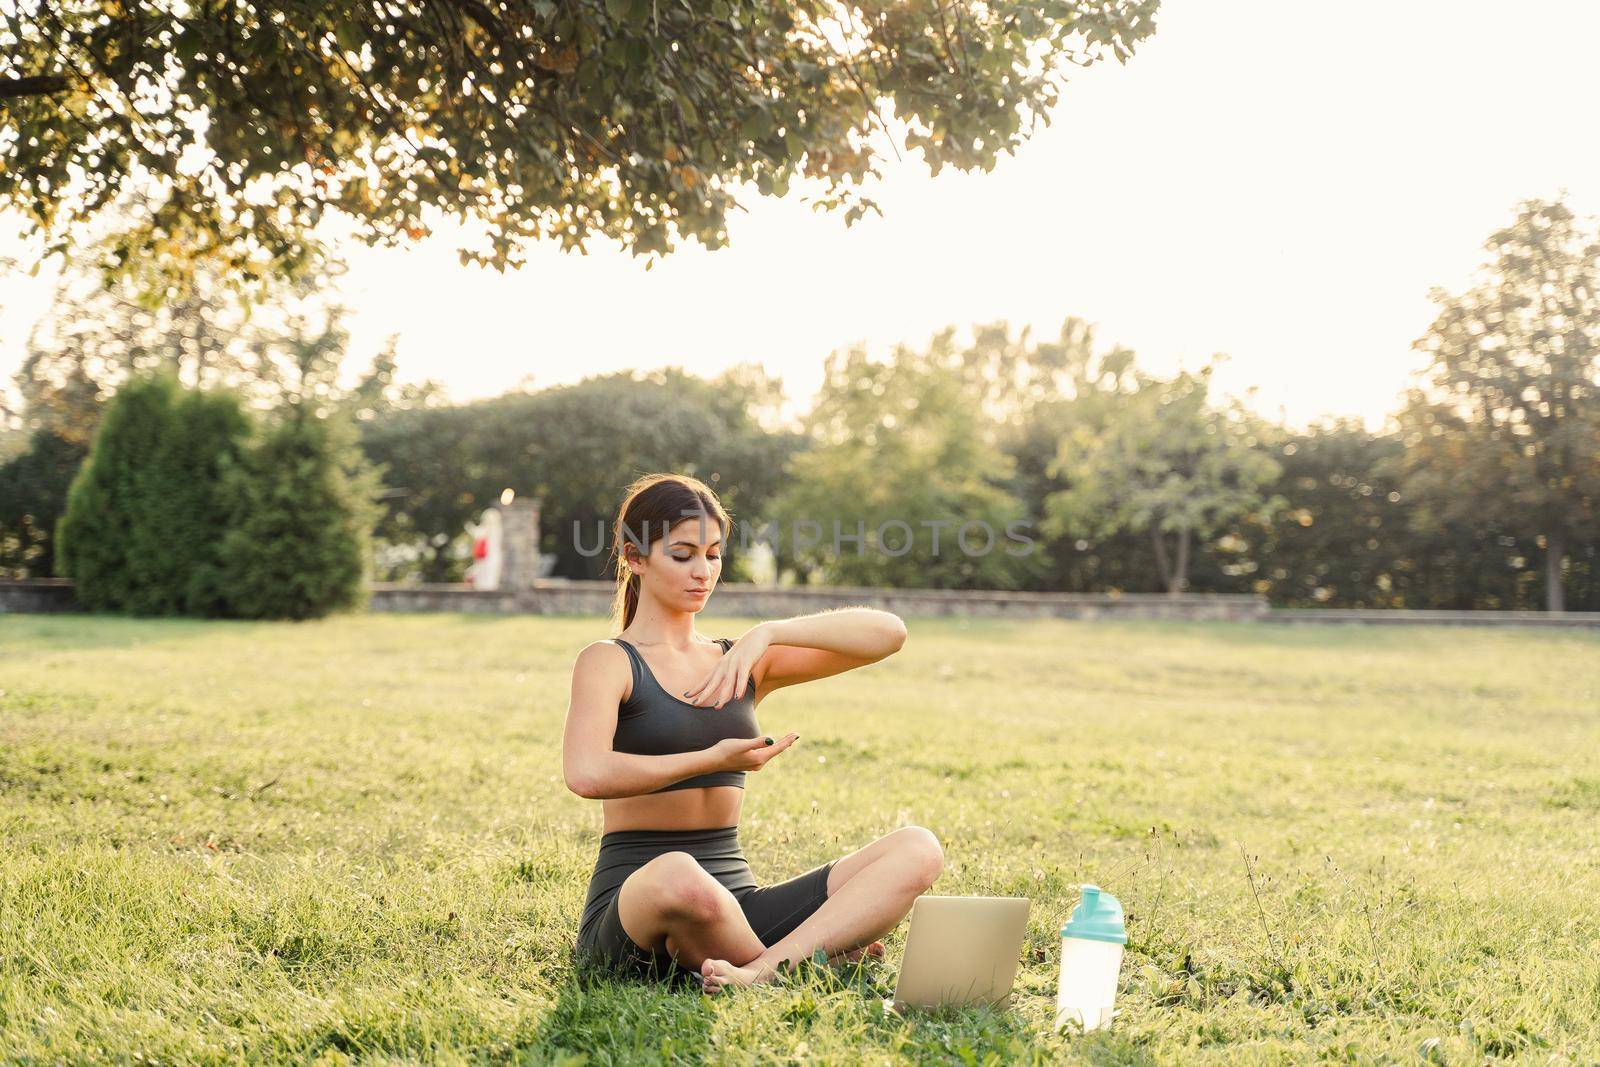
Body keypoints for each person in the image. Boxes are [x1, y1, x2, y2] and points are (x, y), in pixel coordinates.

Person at [562, 473, 945, 994]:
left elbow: (888, 634)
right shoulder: (609, 662)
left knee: (918, 848)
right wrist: (710, 758)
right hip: (641, 903)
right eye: (682, 555)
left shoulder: (738, 660)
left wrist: (771, 632)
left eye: (714, 554)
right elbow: (586, 773)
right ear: (635, 558)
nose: (703, 571)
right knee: (680, 875)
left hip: (740, 903)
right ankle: (813, 957)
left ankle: (759, 971)